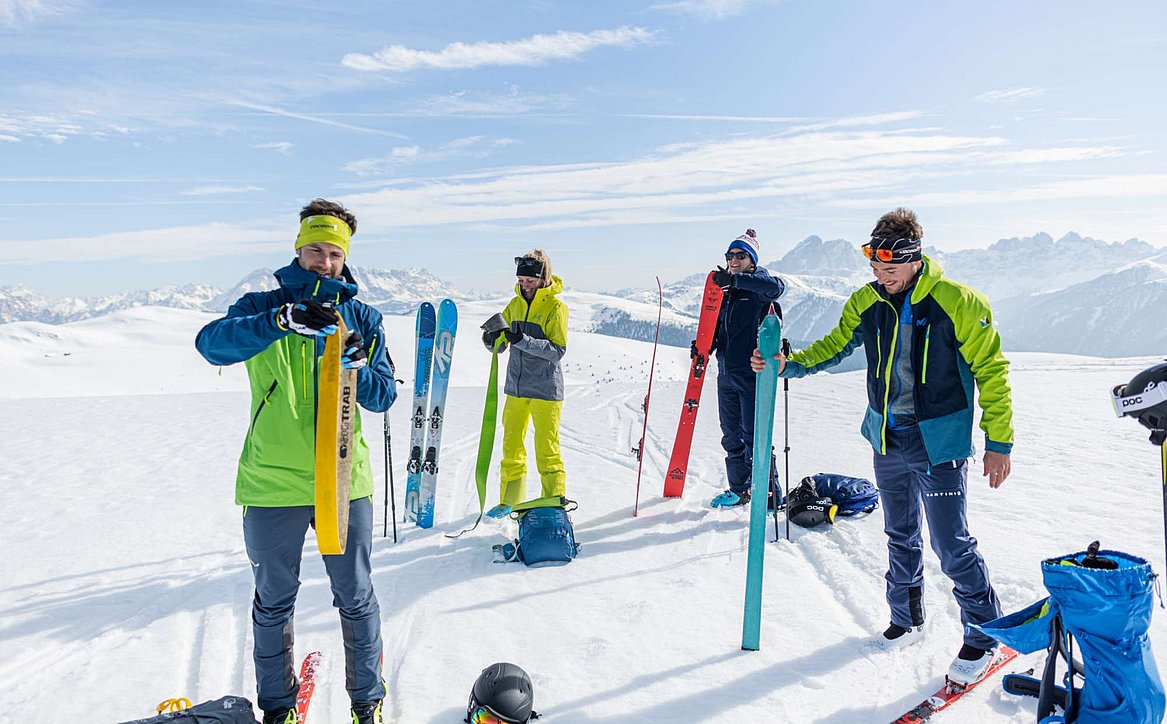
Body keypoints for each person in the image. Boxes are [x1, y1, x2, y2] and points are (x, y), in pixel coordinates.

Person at [750, 208, 1014, 685]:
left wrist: (999, 440)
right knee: (900, 533)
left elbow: (992, 371)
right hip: (887, 438)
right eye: (875, 269)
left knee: (951, 544)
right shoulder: (866, 301)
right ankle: (907, 617)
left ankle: (984, 634)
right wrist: (788, 365)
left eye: (889, 270)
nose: (881, 278)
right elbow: (832, 346)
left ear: (914, 260)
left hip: (939, 443)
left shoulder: (959, 302)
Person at [195, 199, 396, 724]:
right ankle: (279, 708)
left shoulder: (363, 317)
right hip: (271, 482)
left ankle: (366, 702)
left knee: (355, 595)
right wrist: (280, 321)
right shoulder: (261, 306)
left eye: (334, 253)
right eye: (315, 250)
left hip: (343, 479)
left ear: (345, 257)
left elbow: (383, 396)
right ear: (297, 249)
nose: (324, 262)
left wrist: (361, 366)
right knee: (274, 599)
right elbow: (211, 345)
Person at [703, 228, 787, 509]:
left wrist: (738, 279)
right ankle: (740, 490)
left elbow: (777, 287)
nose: (734, 260)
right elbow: (721, 329)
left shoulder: (758, 289)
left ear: (751, 259)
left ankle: (770, 494)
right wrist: (704, 344)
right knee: (731, 437)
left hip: (752, 375)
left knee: (756, 437)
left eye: (741, 255)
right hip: (726, 374)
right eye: (730, 256)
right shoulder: (728, 294)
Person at [481, 250, 569, 507]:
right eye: (521, 279)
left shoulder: (556, 308)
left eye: (529, 280)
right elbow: (501, 344)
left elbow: (557, 351)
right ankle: (510, 501)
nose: (524, 284)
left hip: (545, 389)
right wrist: (491, 340)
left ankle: (552, 501)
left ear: (543, 278)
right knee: (511, 447)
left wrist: (523, 340)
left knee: (547, 449)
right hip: (516, 388)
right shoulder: (514, 305)